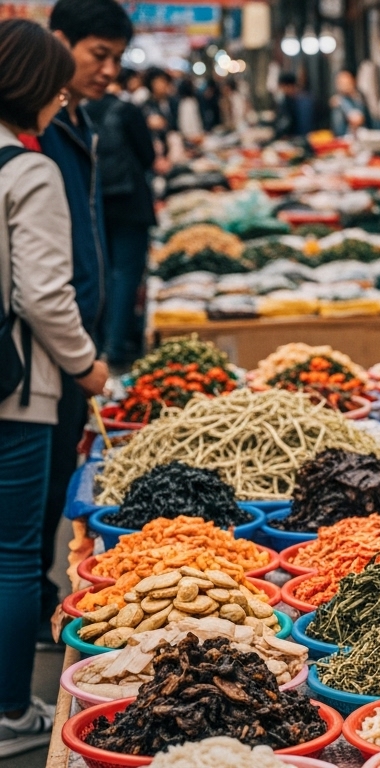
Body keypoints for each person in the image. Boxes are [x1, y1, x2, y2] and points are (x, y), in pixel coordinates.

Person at [0, 18, 108, 757]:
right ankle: (12, 710)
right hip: (15, 387)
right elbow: (43, 294)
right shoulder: (28, 169)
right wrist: (86, 365)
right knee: (14, 555)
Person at [40, 0, 131, 629]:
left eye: (116, 58)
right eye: (98, 55)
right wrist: (79, 356)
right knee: (33, 501)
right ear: (58, 43)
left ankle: (35, 605)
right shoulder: (37, 131)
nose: (109, 71)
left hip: (74, 337)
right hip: (49, 351)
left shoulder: (78, 120)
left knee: (51, 486)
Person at [87, 78, 156, 366]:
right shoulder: (126, 110)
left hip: (96, 204)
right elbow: (148, 156)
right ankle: (116, 346)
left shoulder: (81, 113)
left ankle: (103, 342)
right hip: (130, 203)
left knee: (104, 273)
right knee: (126, 274)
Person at [275, 72, 314, 139]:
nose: (282, 90)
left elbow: (304, 127)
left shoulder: (304, 102)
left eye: (282, 87)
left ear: (290, 86)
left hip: (302, 138)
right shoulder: (287, 99)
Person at [330, 70, 367, 136]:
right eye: (341, 83)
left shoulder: (360, 97)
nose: (345, 85)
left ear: (353, 81)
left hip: (364, 132)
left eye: (347, 82)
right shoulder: (337, 102)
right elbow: (339, 129)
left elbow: (362, 119)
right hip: (345, 135)